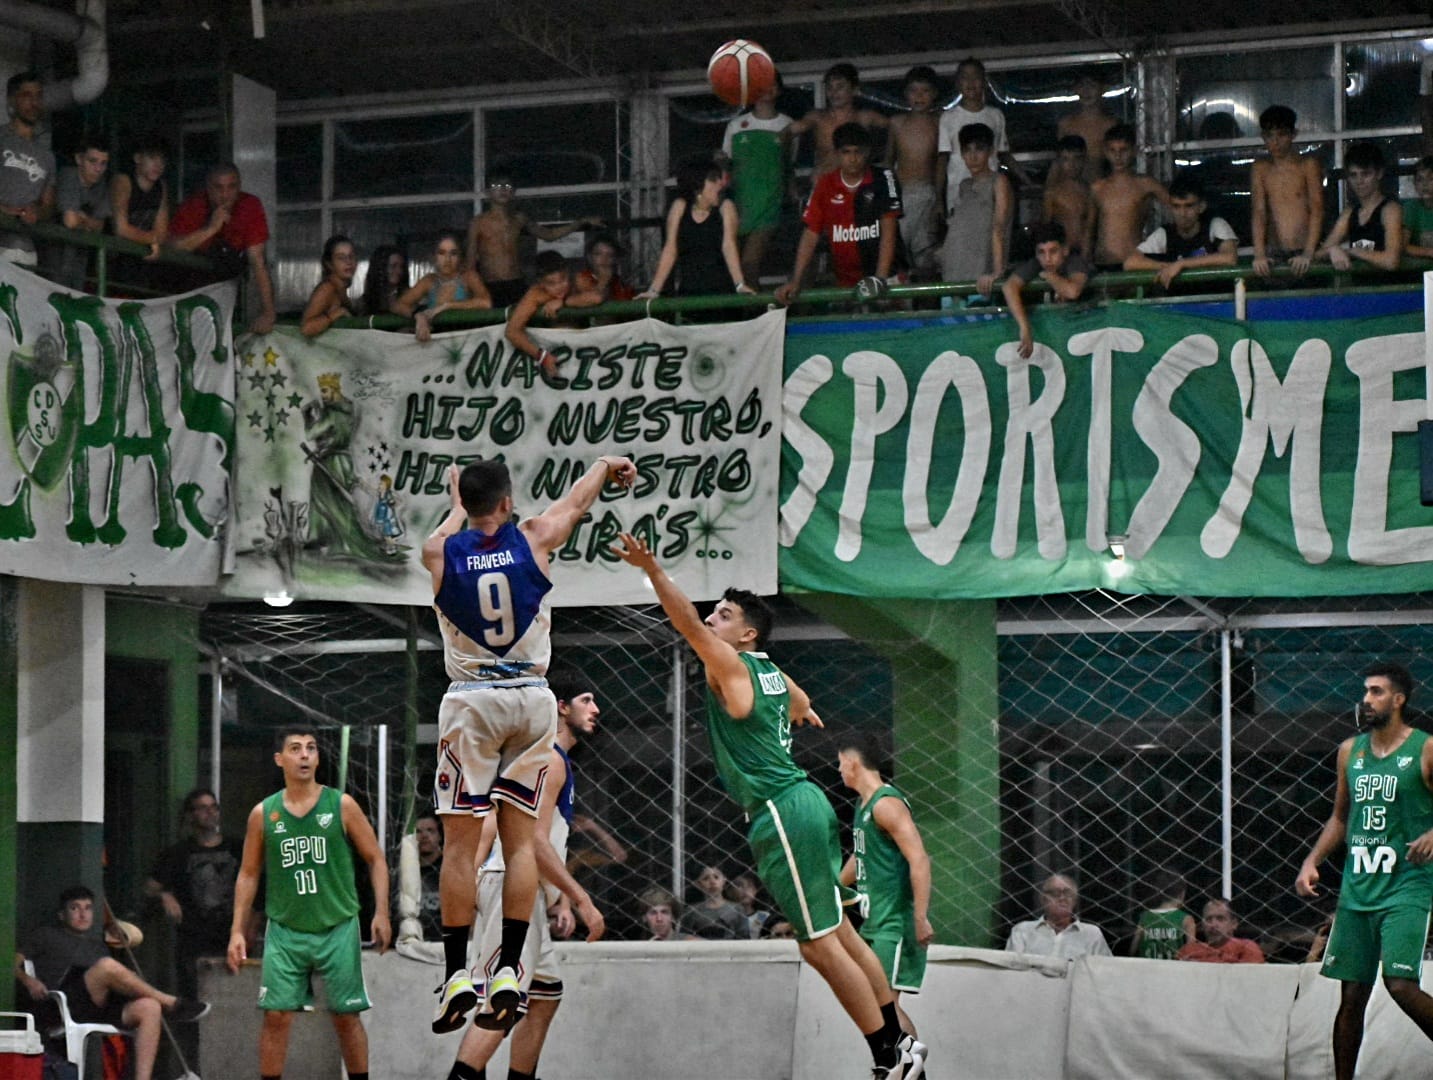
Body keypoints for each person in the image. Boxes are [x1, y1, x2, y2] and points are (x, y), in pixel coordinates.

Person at [610, 535, 926, 1080]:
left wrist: (653, 569)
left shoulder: (732, 666)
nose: (713, 618)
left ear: (746, 634)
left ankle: (887, 1052)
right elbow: (800, 701)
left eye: (724, 614)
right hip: (805, 804)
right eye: (716, 611)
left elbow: (684, 623)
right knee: (841, 936)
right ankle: (901, 1043)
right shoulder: (769, 671)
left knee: (819, 947)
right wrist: (801, 713)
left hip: (782, 809)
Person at [425, 453, 637, 1037]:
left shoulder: (440, 551)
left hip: (471, 699)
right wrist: (600, 465)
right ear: (507, 503)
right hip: (532, 698)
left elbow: (450, 529)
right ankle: (511, 969)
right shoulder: (534, 536)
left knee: (461, 845)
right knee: (521, 843)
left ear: (466, 503)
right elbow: (575, 503)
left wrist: (453, 503)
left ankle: (455, 974)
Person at [445, 668, 608, 1080]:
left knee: (544, 996)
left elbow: (546, 842)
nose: (596, 709)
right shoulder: (548, 761)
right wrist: (583, 898)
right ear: (561, 707)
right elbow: (533, 842)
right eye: (587, 700)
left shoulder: (550, 759)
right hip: (510, 887)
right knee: (502, 1005)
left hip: (523, 888)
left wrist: (562, 898)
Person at [227, 726, 391, 1080]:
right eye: (296, 748)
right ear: (279, 759)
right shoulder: (263, 813)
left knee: (346, 1016)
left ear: (317, 758)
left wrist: (382, 912)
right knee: (276, 1016)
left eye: (311, 748)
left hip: (337, 925)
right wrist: (237, 931)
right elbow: (249, 874)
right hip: (286, 928)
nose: (304, 755)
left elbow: (376, 858)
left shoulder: (341, 805)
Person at [1295, 662, 1433, 1080]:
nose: (1366, 699)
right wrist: (1312, 860)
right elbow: (1340, 817)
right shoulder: (1349, 752)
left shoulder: (1425, 748)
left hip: (1407, 883)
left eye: (1375, 692)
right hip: (1359, 886)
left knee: (1400, 984)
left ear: (1398, 699)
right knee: (1351, 995)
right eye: (1365, 692)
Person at [17, 885, 209, 1080]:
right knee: (107, 966)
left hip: (97, 1006)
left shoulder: (98, 946)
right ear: (61, 915)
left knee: (149, 1007)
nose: (83, 914)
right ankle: (170, 1002)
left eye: (88, 908)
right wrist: (29, 981)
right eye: (75, 908)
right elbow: (10, 964)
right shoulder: (46, 935)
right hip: (60, 1003)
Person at [838, 734, 934, 1041]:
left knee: (884, 1008)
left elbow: (919, 859)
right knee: (878, 1006)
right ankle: (902, 1068)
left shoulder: (887, 804)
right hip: (876, 921)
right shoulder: (863, 805)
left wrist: (920, 917)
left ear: (852, 763)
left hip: (894, 924)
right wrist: (835, 888)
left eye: (840, 763)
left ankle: (904, 1068)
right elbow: (862, 854)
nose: (839, 770)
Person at [775, 122, 903, 306]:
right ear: (837, 154)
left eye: (858, 152)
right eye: (846, 152)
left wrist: (879, 279)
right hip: (845, 282)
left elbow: (889, 230)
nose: (852, 158)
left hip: (887, 279)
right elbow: (810, 234)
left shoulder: (884, 178)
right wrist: (796, 280)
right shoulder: (825, 184)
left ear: (867, 152)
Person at [146, 789, 254, 1000]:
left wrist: (250, 927)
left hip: (232, 935)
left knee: (236, 996)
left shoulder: (237, 849)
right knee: (195, 998)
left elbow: (258, 891)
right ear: (190, 815)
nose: (210, 813)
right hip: (194, 939)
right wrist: (165, 895)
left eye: (214, 807)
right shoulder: (178, 853)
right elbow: (150, 887)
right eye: (203, 808)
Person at [465, 171, 602, 307]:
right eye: (496, 185)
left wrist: (581, 222)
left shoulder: (519, 218)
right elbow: (470, 264)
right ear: (487, 192)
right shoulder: (478, 223)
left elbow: (549, 234)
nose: (502, 189)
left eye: (507, 185)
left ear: (513, 192)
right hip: (490, 284)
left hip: (517, 282)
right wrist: (474, 291)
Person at [168, 162, 276, 333]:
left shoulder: (249, 205)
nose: (225, 194)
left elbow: (258, 261)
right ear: (208, 188)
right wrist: (211, 228)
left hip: (229, 290)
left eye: (231, 187)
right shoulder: (193, 205)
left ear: (239, 186)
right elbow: (173, 248)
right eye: (218, 188)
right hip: (189, 290)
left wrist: (268, 313)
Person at [639, 156, 751, 300]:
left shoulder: (726, 207)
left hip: (722, 293)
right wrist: (654, 290)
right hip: (689, 292)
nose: (720, 184)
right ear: (698, 183)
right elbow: (670, 249)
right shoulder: (679, 207)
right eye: (713, 179)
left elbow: (729, 246)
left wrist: (740, 285)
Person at [722, 79, 793, 285]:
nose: (765, 90)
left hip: (771, 203)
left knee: (750, 263)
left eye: (771, 84)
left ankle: (758, 313)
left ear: (779, 90)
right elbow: (726, 163)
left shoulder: (787, 124)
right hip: (741, 204)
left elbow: (788, 164)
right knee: (737, 267)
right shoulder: (735, 125)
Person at [936, 58, 1023, 221]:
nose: (970, 82)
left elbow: (1003, 153)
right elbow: (942, 159)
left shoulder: (995, 115)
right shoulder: (948, 117)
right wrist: (938, 200)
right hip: (957, 193)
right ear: (958, 83)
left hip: (990, 191)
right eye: (965, 77)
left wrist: (1026, 181)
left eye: (975, 77)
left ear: (984, 81)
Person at [1122, 174, 1238, 288]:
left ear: (1201, 206)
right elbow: (1130, 262)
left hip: (1218, 301)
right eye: (1176, 207)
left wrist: (1181, 264)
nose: (1182, 214)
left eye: (1189, 206)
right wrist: (1169, 266)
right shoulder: (1164, 233)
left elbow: (1229, 257)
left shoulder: (1215, 224)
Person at [504, 249, 604, 381]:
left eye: (563, 279)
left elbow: (597, 297)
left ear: (568, 273)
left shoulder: (578, 279)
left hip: (588, 352)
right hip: (555, 354)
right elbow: (512, 332)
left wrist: (564, 302)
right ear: (540, 283)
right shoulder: (535, 294)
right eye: (551, 283)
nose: (559, 286)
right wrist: (543, 357)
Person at [1250, 105, 1325, 279]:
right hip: (1274, 254)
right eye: (1270, 136)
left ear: (1293, 134)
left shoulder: (1307, 165)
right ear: (1263, 137)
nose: (1275, 142)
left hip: (1305, 250)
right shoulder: (1260, 168)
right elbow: (1259, 212)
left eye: (1282, 134)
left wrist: (1308, 252)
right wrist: (1259, 254)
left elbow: (1317, 209)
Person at [940, 122, 1012, 298]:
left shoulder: (999, 181)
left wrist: (997, 272)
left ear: (990, 151)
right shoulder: (965, 185)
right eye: (967, 150)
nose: (973, 156)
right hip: (954, 267)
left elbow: (999, 228)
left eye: (979, 149)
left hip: (982, 274)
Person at [1001, 221, 1093, 359]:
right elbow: (1009, 287)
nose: (1047, 258)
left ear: (1065, 250)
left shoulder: (1075, 262)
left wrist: (1049, 276)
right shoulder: (1036, 264)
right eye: (1041, 252)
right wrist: (1025, 328)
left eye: (1053, 251)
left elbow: (1072, 291)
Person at [885, 66, 944, 280]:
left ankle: (927, 306)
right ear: (905, 94)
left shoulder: (939, 122)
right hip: (900, 194)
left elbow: (940, 164)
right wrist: (887, 196)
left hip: (926, 193)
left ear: (934, 94)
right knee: (897, 251)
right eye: (914, 91)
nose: (919, 97)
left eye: (925, 91)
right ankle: (904, 304)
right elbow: (888, 161)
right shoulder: (897, 122)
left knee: (925, 254)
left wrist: (938, 200)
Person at [784, 63, 889, 179]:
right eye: (829, 87)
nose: (834, 93)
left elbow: (896, 127)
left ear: (854, 90)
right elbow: (790, 131)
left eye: (840, 87)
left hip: (856, 187)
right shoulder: (817, 117)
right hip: (824, 185)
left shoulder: (865, 117)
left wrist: (880, 154)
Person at [1316, 142, 1404, 273]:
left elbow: (1391, 261)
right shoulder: (1350, 212)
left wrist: (1352, 251)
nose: (1359, 181)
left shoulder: (1390, 210)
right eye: (1353, 175)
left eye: (1366, 174)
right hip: (1359, 289)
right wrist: (1332, 250)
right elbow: (1318, 254)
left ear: (1379, 174)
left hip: (1389, 288)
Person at [1090, 123, 1168, 269]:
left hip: (1134, 261)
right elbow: (1089, 229)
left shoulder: (1145, 184)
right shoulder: (1098, 188)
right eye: (1112, 150)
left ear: (1133, 151)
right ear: (1105, 152)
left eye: (1123, 150)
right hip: (1103, 262)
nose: (1118, 156)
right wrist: (1086, 260)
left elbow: (1176, 205)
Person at [392, 230, 493, 343]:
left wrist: (448, 306)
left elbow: (485, 302)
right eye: (441, 253)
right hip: (435, 343)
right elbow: (398, 305)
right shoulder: (429, 280)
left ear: (460, 256)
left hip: (464, 342)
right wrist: (419, 316)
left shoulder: (468, 277)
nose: (447, 259)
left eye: (453, 253)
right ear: (434, 256)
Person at [0, 72, 55, 267]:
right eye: (26, 95)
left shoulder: (47, 156)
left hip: (25, 251)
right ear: (11, 100)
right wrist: (3, 210)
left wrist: (37, 212)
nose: (34, 102)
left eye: (38, 96)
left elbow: (48, 205)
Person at [46, 135, 110, 290]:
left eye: (103, 163)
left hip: (79, 258)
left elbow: (99, 226)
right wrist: (87, 222)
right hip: (52, 254)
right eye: (92, 161)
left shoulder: (101, 184)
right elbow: (70, 221)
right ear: (79, 159)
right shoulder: (69, 175)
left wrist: (82, 219)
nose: (98, 169)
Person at [109, 138, 170, 291]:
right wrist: (151, 239)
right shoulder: (123, 181)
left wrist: (153, 240)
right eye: (152, 158)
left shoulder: (161, 187)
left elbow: (162, 233)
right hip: (112, 261)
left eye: (162, 160)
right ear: (138, 158)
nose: (158, 165)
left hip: (141, 263)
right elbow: (121, 228)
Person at [1005, 872, 1112, 959]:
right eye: (1055, 893)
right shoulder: (1022, 931)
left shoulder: (1091, 934)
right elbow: (1011, 971)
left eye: (1067, 893)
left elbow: (1103, 972)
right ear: (1043, 899)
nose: (1062, 898)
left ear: (1075, 900)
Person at [394, 812, 445, 956]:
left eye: (430, 830)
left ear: (440, 836)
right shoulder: (403, 874)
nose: (424, 836)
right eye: (419, 831)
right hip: (415, 948)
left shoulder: (449, 871)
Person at [1056, 72, 1118, 181]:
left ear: (1103, 89)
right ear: (1075, 89)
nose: (1086, 91)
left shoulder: (1110, 125)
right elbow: (1058, 162)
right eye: (1081, 86)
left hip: (1101, 185)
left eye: (1092, 86)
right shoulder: (1066, 124)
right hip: (1072, 188)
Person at [1041, 135, 1095, 257]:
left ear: (1085, 159)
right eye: (1066, 159)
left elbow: (1090, 227)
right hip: (1060, 254)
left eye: (1077, 159)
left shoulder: (1091, 191)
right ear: (1059, 161)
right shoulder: (1052, 193)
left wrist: (1087, 254)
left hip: (1086, 253)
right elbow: (1046, 228)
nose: (1072, 164)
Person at [1129, 867, 1196, 960]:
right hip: (1174, 972)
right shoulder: (1187, 919)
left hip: (1147, 971)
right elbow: (1192, 952)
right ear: (1182, 894)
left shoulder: (1145, 917)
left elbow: (1132, 950)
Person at [300, 235, 357, 337]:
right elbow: (306, 328)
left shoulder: (340, 288)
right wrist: (333, 315)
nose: (348, 262)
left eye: (351, 256)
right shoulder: (327, 289)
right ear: (329, 264)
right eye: (341, 258)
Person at [1177, 898, 1265, 963]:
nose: (1213, 924)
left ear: (1234, 924)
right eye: (1208, 919)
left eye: (1220, 918)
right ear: (1202, 924)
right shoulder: (1189, 951)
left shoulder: (1247, 948)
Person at [679, 865, 748, 940]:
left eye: (716, 877)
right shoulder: (691, 911)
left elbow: (744, 937)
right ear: (698, 884)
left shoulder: (737, 909)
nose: (712, 882)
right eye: (706, 878)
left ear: (724, 880)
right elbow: (684, 937)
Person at [575, 230, 635, 303]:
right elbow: (593, 301)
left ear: (615, 259)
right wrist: (603, 280)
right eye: (598, 254)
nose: (604, 259)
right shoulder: (582, 278)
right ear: (590, 257)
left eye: (610, 255)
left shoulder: (619, 283)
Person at [360, 244, 408, 317]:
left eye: (401, 267)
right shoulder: (364, 302)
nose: (399, 271)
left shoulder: (409, 296)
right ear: (380, 268)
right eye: (393, 266)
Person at [1402, 156, 1433, 259]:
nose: (1425, 184)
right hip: (1419, 270)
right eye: (1420, 179)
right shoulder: (1411, 208)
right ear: (1414, 184)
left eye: (1431, 179)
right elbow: (1403, 246)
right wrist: (1429, 252)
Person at [731, 872, 772, 939]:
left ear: (755, 890)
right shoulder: (729, 916)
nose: (745, 890)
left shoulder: (763, 916)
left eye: (749, 886)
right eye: (739, 885)